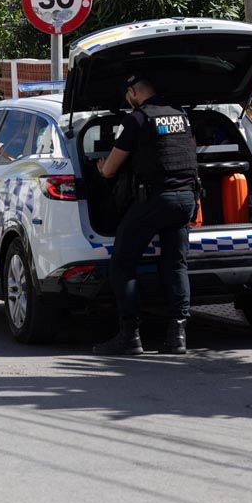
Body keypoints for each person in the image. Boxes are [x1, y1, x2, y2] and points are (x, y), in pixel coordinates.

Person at [94, 74, 200, 356]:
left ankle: (129, 336)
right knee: (176, 265)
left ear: (133, 92)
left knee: (123, 262)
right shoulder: (181, 116)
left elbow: (111, 169)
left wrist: (102, 167)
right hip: (187, 199)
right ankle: (177, 336)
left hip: (155, 200)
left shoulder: (137, 119)